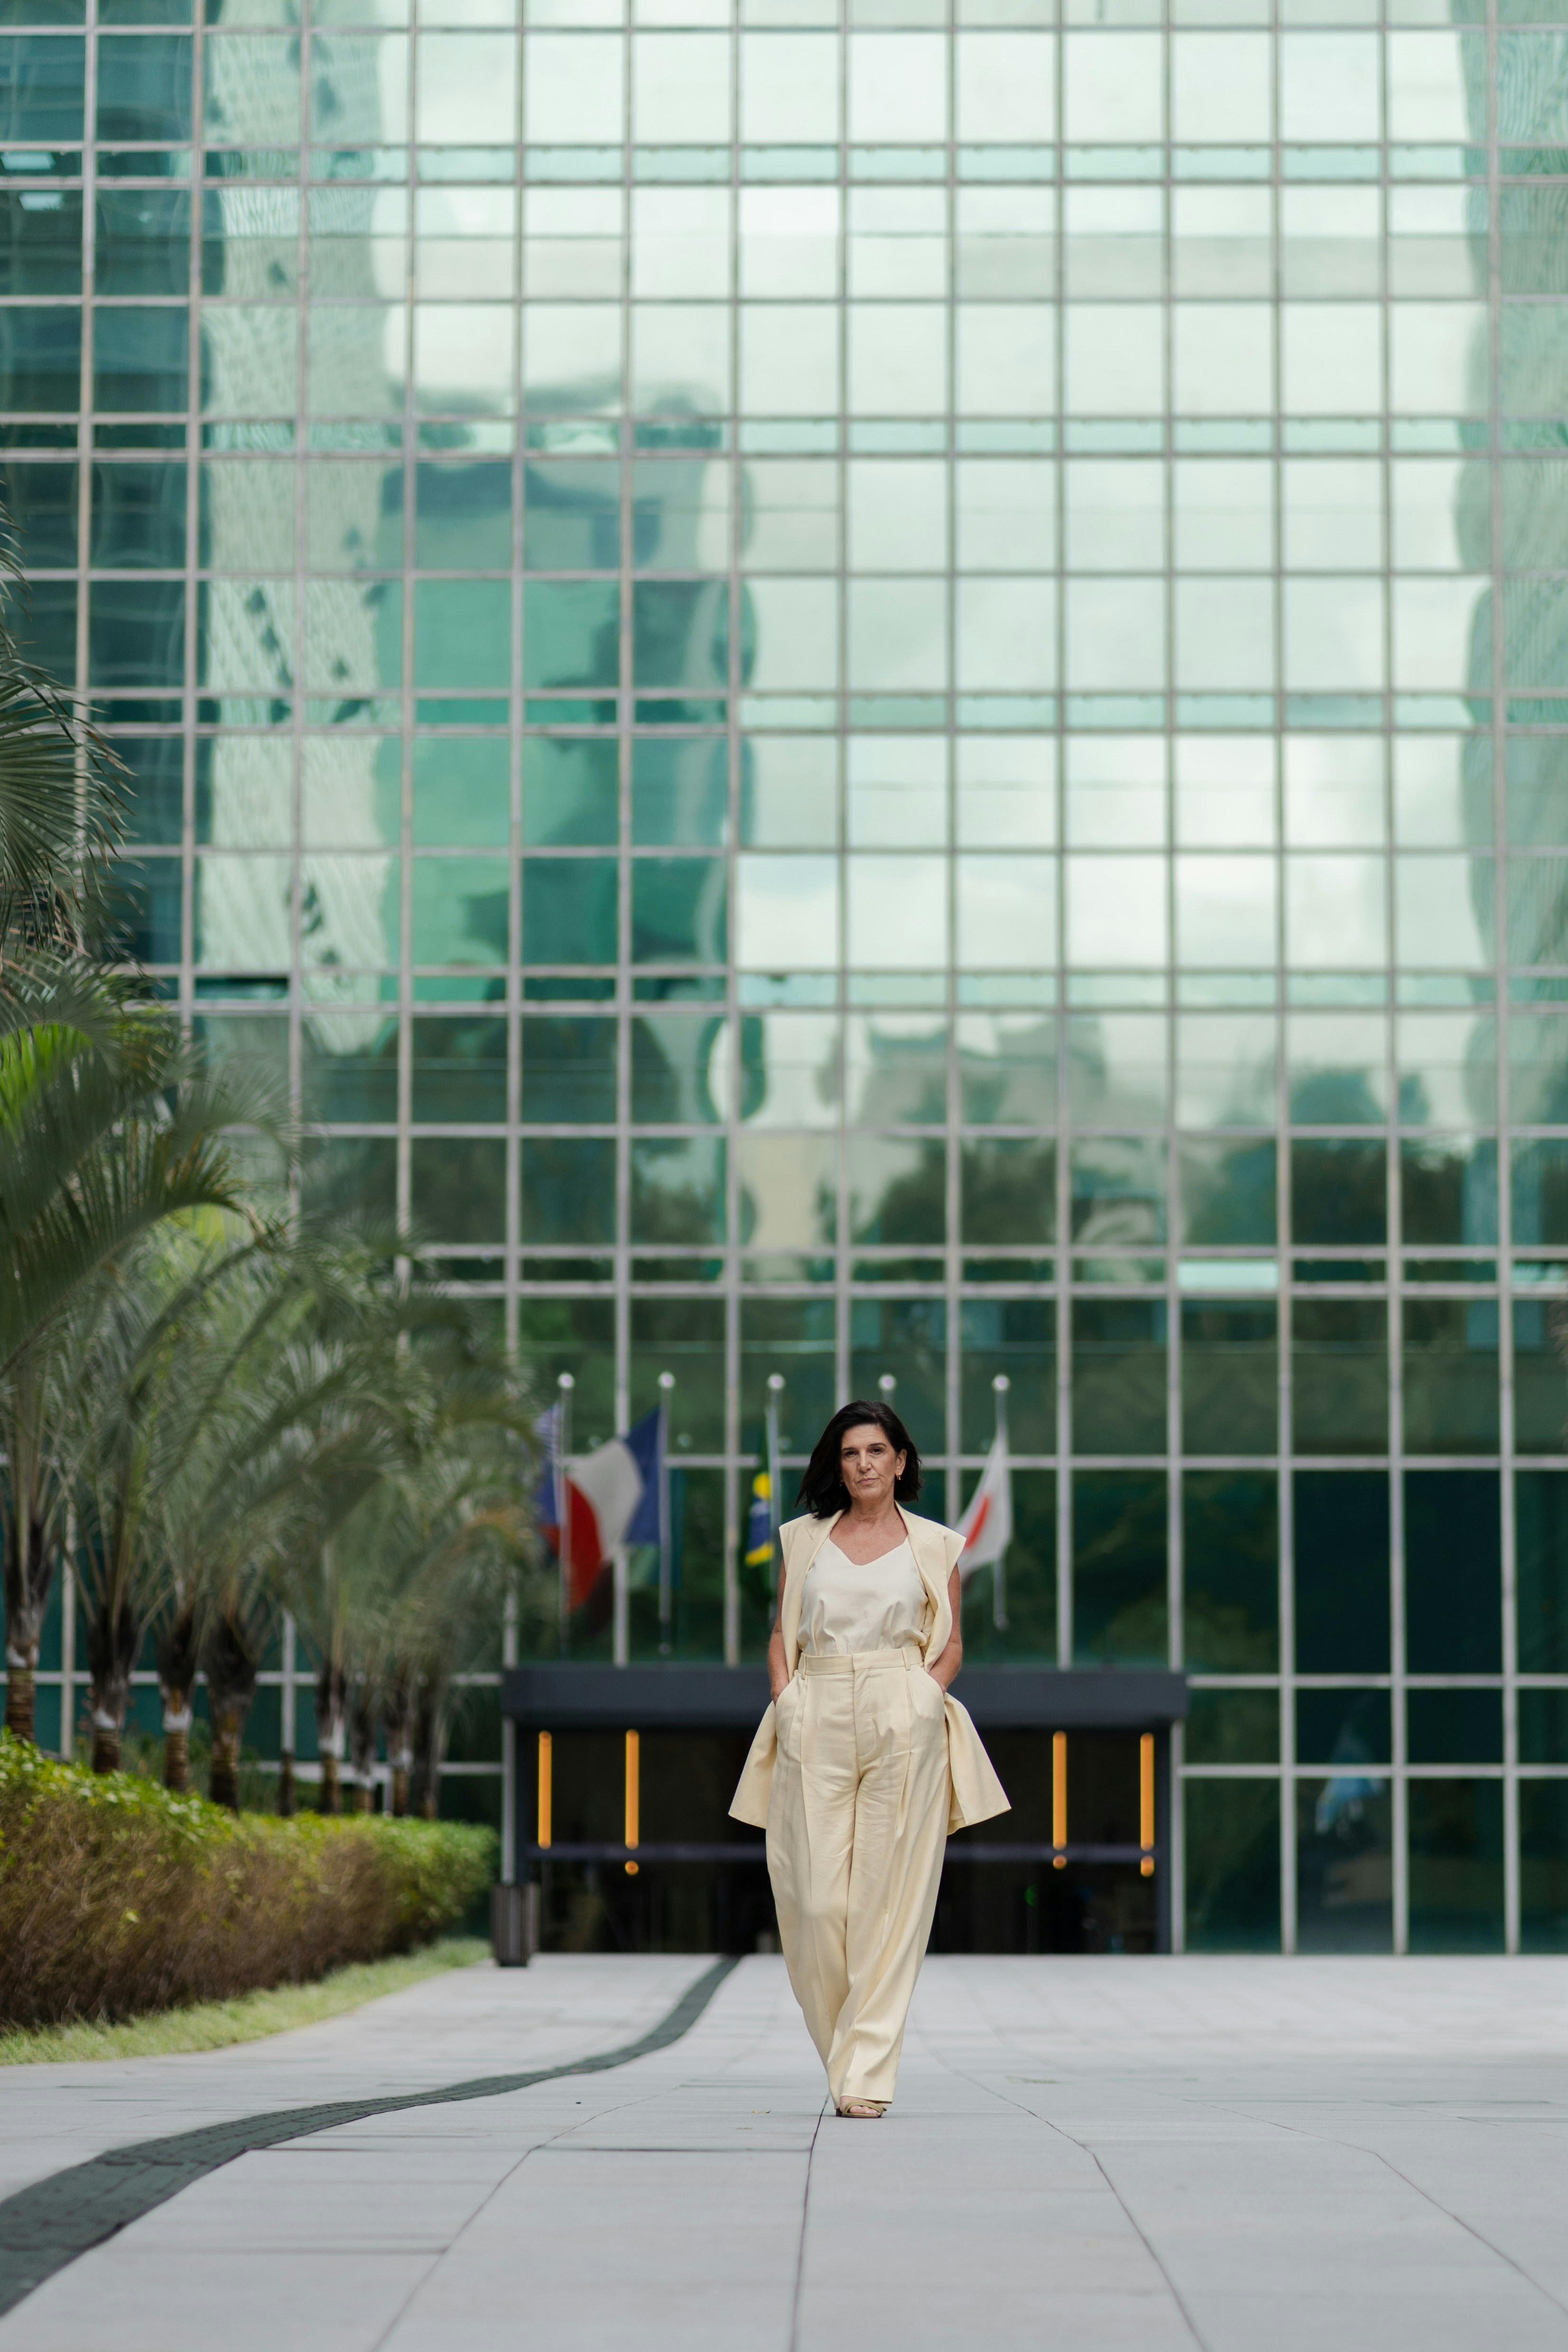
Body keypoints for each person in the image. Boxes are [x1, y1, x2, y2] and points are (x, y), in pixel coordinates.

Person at [730, 1400, 1009, 2118]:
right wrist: (785, 1696)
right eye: (851, 1452)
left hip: (901, 1706)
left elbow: (949, 1641)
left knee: (889, 1903)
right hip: (814, 1702)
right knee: (814, 1899)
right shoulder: (803, 1539)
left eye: (876, 1450)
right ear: (838, 1463)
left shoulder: (936, 1545)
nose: (864, 1464)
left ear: (901, 1460)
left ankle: (866, 2073)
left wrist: (924, 1693)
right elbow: (778, 1632)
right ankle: (845, 2052)